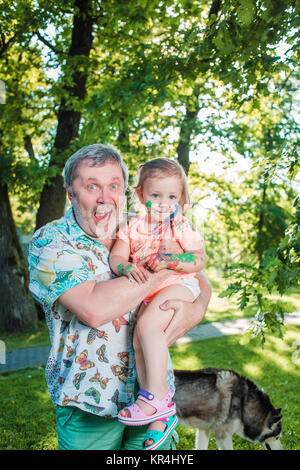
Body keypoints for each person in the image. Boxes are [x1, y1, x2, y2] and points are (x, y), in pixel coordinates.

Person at [28, 144, 211, 451]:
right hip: (89, 402)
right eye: (91, 186)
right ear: (70, 192)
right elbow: (95, 309)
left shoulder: (146, 223)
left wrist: (200, 305)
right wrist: (167, 267)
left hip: (151, 395)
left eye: (113, 186)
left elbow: (199, 269)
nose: (104, 197)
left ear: (127, 191)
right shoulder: (51, 241)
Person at [109, 158, 206, 450]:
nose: (164, 203)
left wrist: (173, 259)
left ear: (181, 198)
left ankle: (158, 400)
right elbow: (117, 258)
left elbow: (200, 259)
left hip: (179, 285)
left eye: (172, 196)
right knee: (139, 340)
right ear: (140, 195)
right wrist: (125, 268)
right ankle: (154, 406)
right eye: (156, 195)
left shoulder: (180, 226)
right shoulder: (132, 227)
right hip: (150, 292)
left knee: (150, 326)